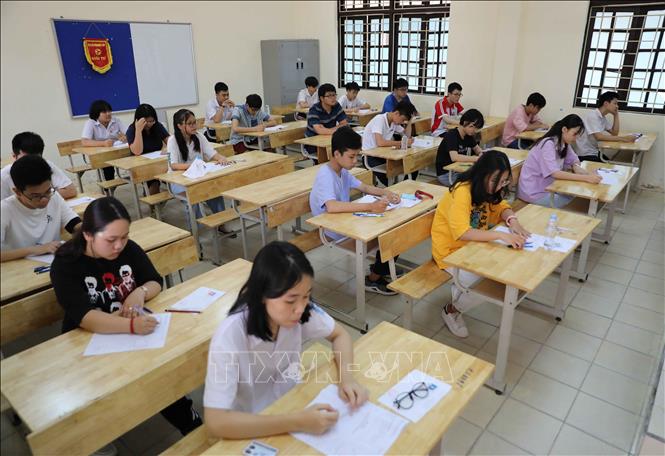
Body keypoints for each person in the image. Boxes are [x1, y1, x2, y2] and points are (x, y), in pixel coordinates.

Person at [50, 196, 202, 452]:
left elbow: (155, 281)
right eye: (111, 240)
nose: (119, 245)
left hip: (131, 336)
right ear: (88, 234)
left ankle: (189, 422)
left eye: (124, 237)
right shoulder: (66, 263)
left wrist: (139, 292)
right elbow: (85, 317)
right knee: (105, 402)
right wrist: (131, 327)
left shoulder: (128, 249)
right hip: (88, 342)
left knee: (160, 376)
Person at [204, 241, 368, 439]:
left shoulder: (302, 311)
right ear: (263, 294)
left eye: (306, 296)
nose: (300, 308)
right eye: (290, 300)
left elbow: (340, 335)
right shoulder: (230, 335)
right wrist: (298, 422)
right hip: (250, 424)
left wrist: (347, 378)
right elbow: (216, 422)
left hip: (293, 403)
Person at [431, 150, 530, 337]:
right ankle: (452, 309)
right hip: (451, 252)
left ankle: (461, 292)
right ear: (482, 174)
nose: (499, 186)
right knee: (488, 282)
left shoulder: (486, 189)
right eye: (496, 181)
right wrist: (500, 236)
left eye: (504, 181)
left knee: (506, 270)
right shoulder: (463, 191)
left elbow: (501, 208)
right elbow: (462, 232)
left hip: (474, 247)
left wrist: (513, 221)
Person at [310, 126, 401, 295]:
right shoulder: (326, 175)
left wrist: (385, 192)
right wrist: (371, 206)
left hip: (345, 222)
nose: (355, 161)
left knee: (394, 228)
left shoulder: (342, 171)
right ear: (337, 154)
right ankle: (374, 278)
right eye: (352, 156)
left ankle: (382, 267)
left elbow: (364, 187)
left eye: (357, 156)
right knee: (392, 235)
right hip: (333, 230)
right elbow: (332, 206)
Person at [1, 155, 81, 262]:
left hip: (52, 264)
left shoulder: (54, 197)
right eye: (36, 196)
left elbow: (73, 224)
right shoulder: (5, 209)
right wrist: (34, 250)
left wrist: (92, 231)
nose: (44, 200)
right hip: (18, 268)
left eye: (48, 191)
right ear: (17, 192)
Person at [167, 109, 231, 234]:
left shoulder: (199, 136)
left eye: (194, 122)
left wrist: (221, 158)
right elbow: (173, 165)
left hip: (198, 177)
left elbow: (212, 153)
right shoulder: (172, 141)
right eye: (189, 123)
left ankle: (221, 224)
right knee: (193, 198)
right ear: (179, 126)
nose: (194, 126)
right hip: (178, 181)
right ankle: (195, 233)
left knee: (215, 191)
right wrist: (193, 166)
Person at [519, 114, 602, 208]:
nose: (576, 138)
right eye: (574, 134)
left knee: (577, 195)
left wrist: (577, 168)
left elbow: (575, 160)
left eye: (578, 135)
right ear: (564, 129)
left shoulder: (564, 142)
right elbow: (555, 173)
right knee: (575, 201)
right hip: (534, 192)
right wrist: (586, 178)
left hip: (549, 186)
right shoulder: (548, 144)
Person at [1, 131, 76, 200]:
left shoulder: (45, 165)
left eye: (36, 159)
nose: (32, 165)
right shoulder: (3, 176)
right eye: (26, 160)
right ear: (14, 156)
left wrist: (41, 197)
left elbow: (70, 190)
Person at [362, 100, 417, 186]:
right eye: (403, 120)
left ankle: (404, 186)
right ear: (396, 113)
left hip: (384, 154)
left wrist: (410, 121)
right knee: (389, 179)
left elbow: (406, 135)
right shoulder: (379, 119)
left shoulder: (394, 122)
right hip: (370, 157)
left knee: (413, 165)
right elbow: (380, 142)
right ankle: (398, 189)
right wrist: (401, 143)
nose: (402, 122)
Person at [573, 91, 637, 162]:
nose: (617, 106)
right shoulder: (593, 116)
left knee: (610, 164)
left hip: (594, 151)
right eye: (615, 103)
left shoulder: (602, 117)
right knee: (609, 165)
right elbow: (599, 137)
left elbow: (614, 133)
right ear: (606, 103)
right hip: (585, 154)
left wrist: (616, 115)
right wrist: (624, 139)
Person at [126, 103, 170, 195]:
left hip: (157, 162)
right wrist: (138, 130)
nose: (149, 124)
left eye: (152, 121)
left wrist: (168, 148)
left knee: (173, 177)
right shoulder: (132, 130)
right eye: (146, 122)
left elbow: (170, 141)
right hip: (142, 165)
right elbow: (137, 151)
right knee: (154, 186)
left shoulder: (157, 126)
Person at [435, 109, 485, 187]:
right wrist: (477, 159)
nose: (474, 130)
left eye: (476, 128)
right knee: (475, 184)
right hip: (446, 174)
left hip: (458, 171)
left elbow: (477, 149)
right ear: (465, 123)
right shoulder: (452, 135)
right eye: (472, 126)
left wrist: (481, 154)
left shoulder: (468, 135)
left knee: (481, 178)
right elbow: (455, 157)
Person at [81, 99, 127, 181]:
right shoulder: (91, 123)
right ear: (96, 113)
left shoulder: (116, 120)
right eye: (104, 112)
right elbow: (84, 141)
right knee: (108, 168)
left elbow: (129, 133)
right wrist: (103, 143)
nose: (108, 114)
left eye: (109, 111)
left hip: (117, 151)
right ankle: (110, 187)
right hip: (102, 154)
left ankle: (141, 181)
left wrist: (125, 137)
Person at [304, 83, 348, 164]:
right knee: (327, 161)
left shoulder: (336, 106)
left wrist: (326, 130)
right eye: (329, 96)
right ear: (321, 98)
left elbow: (344, 124)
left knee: (345, 151)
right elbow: (319, 130)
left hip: (329, 139)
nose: (333, 98)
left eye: (334, 95)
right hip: (313, 143)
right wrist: (337, 129)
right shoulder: (314, 109)